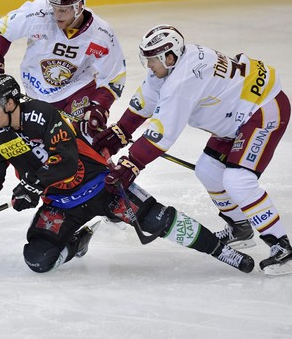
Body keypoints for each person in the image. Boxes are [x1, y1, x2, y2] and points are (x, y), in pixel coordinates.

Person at [0, 73, 255, 274]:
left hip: (102, 186)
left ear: (9, 102)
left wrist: (32, 184)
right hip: (61, 205)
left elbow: (65, 162)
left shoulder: (43, 114)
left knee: (158, 220)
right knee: (38, 260)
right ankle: (78, 240)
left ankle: (219, 251)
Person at [93, 24, 291, 275]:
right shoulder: (171, 67)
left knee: (238, 180)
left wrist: (133, 163)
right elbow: (147, 99)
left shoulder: (184, 79)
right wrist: (120, 131)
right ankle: (240, 227)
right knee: (208, 170)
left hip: (263, 110)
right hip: (236, 118)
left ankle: (282, 246)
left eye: (152, 59)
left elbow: (163, 130)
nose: (148, 65)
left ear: (170, 56)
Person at [0, 0, 126, 140]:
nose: (56, 15)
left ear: (79, 6)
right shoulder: (39, 12)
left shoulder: (100, 35)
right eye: (54, 8)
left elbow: (114, 77)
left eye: (62, 10)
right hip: (35, 90)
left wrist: (99, 106)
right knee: (33, 148)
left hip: (77, 89)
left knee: (87, 139)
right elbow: (3, 29)